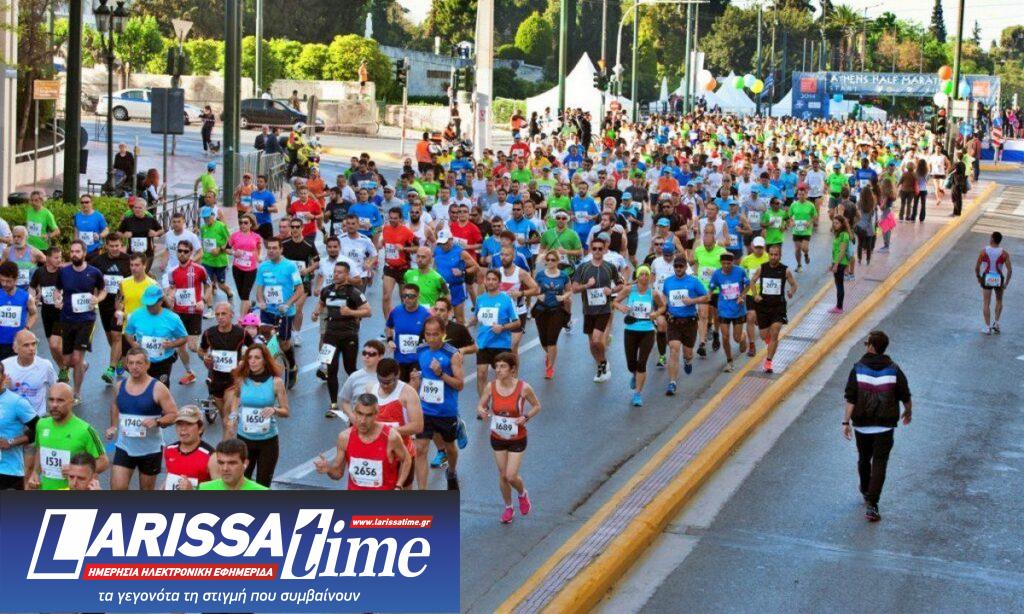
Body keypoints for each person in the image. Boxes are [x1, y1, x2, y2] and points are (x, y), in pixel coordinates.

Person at [842, 330, 912, 522]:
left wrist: (846, 422)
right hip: (885, 426)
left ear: (872, 346)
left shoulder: (858, 368)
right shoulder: (894, 369)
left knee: (864, 458)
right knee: (880, 463)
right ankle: (872, 505)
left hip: (862, 425)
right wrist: (908, 411)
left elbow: (850, 397)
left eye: (866, 343)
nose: (865, 346)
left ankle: (866, 490)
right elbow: (905, 394)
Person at [476, 352, 540, 522]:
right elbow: (480, 405)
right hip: (497, 436)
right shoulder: (491, 387)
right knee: (503, 475)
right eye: (496, 366)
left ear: (512, 369)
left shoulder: (523, 388)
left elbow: (537, 406)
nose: (498, 370)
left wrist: (526, 417)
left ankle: (522, 493)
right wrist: (482, 411)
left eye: (503, 366)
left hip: (517, 438)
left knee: (511, 476)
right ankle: (508, 508)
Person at [104, 348, 178, 490]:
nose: (134, 367)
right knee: (117, 488)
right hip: (124, 447)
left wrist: (157, 422)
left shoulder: (158, 388)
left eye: (139, 363)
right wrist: (113, 426)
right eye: (131, 363)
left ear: (147, 365)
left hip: (150, 450)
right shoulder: (120, 386)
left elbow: (174, 414)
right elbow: (115, 405)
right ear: (126, 365)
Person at [314, 393, 412, 490]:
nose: (363, 421)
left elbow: (407, 459)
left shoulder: (391, 437)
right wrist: (328, 469)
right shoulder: (345, 437)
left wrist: (399, 485)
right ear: (354, 412)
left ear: (376, 414)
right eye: (360, 413)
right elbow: (338, 473)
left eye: (368, 415)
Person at [225, 344, 290, 487]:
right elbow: (236, 398)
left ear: (265, 360)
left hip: (268, 441)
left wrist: (274, 410)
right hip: (244, 439)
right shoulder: (242, 380)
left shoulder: (276, 382)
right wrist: (233, 416)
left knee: (263, 484)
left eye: (257, 358)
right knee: (242, 482)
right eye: (249, 358)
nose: (252, 361)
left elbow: (286, 411)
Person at [312, 261, 371, 416]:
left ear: (346, 274)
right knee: (331, 370)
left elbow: (368, 311)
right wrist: (316, 312)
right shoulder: (327, 290)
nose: (336, 275)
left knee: (350, 368)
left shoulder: (354, 292)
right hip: (330, 335)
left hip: (348, 335)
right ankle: (333, 405)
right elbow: (321, 303)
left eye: (340, 272)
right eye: (335, 272)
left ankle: (362, 396)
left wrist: (351, 312)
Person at [413, 317, 465, 490]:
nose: (431, 338)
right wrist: (416, 380)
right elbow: (420, 375)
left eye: (435, 334)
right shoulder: (420, 350)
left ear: (443, 333)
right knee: (420, 449)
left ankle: (451, 471)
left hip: (446, 411)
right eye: (428, 334)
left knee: (450, 448)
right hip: (425, 410)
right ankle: (422, 491)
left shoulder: (452, 354)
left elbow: (460, 385)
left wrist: (441, 374)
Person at [26, 382, 109, 490]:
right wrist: (35, 472)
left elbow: (103, 462)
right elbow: (40, 450)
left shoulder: (85, 430)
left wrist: (76, 471)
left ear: (72, 403)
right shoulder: (41, 424)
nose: (54, 405)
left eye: (60, 400)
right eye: (51, 400)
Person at [55, 240, 106, 404]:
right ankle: (82, 366)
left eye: (77, 251)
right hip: (67, 318)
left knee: (76, 358)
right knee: (67, 360)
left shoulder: (94, 272)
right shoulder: (63, 272)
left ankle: (76, 393)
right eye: (72, 251)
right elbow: (57, 290)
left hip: (86, 320)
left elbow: (103, 290)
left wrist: (97, 299)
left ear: (84, 253)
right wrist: (57, 299)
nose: (74, 254)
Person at [571, 235, 622, 382]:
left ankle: (603, 363)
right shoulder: (583, 267)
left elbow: (620, 284)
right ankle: (601, 364)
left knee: (596, 338)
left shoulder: (610, 267)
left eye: (600, 249)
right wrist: (586, 285)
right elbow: (574, 288)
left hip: (604, 309)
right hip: (588, 310)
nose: (598, 251)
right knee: (592, 344)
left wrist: (611, 290)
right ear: (591, 250)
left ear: (604, 250)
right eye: (595, 249)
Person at [364, 358, 423, 486]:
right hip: (376, 454)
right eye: (381, 381)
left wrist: (388, 431)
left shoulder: (408, 393)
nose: (384, 385)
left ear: (398, 375)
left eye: (388, 382)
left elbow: (418, 426)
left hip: (402, 455)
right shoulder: (370, 389)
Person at [613, 265, 665, 406]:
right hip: (631, 329)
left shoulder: (653, 293)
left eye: (646, 274)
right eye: (641, 274)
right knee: (631, 364)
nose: (644, 277)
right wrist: (621, 307)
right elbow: (615, 301)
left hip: (647, 330)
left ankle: (637, 394)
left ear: (649, 277)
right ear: (637, 277)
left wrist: (656, 313)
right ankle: (634, 374)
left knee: (642, 363)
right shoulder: (629, 289)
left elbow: (662, 306)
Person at [255, 237, 304, 383]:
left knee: (284, 343)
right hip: (267, 312)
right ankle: (268, 373)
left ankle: (292, 366)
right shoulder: (263, 267)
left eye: (274, 248)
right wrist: (261, 301)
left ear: (281, 249)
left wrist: (288, 304)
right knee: (266, 343)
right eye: (269, 248)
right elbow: (259, 288)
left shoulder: (290, 266)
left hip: (285, 312)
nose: (271, 251)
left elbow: (300, 289)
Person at [658, 254, 709, 396]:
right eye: (676, 266)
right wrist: (661, 309)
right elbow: (664, 297)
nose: (678, 268)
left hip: (689, 322)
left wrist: (692, 301)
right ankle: (672, 382)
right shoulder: (668, 282)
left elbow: (706, 297)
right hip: (673, 322)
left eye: (681, 266)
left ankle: (688, 361)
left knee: (688, 353)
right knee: (674, 350)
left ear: (686, 267)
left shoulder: (694, 282)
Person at [123, 285, 189, 386]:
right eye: (147, 304)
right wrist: (133, 343)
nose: (149, 307)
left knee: (160, 388)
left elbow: (184, 337)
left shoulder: (172, 318)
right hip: (142, 360)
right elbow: (128, 332)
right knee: (142, 388)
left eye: (152, 304)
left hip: (163, 362)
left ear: (161, 301)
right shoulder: (136, 315)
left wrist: (172, 344)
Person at [198, 302, 253, 424]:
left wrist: (244, 361)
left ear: (231, 315)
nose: (220, 317)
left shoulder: (241, 333)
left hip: (233, 380)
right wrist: (204, 356)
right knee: (225, 419)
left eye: (223, 314)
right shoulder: (209, 333)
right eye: (217, 314)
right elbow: (201, 350)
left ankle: (232, 429)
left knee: (227, 417)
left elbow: (254, 349)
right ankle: (232, 431)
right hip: (215, 380)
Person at [89, 233, 131, 382]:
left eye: (117, 246)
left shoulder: (128, 260)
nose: (114, 249)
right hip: (104, 303)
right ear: (106, 245)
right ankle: (119, 359)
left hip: (121, 304)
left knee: (116, 335)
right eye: (111, 246)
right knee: (110, 336)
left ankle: (110, 369)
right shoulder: (98, 261)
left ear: (121, 245)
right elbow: (92, 280)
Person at [166, 240, 209, 385]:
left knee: (192, 347)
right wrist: (171, 295)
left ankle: (212, 361)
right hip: (178, 313)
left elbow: (208, 285)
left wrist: (203, 300)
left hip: (194, 312)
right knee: (180, 347)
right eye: (179, 250)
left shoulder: (199, 269)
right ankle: (190, 372)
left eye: (185, 251)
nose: (182, 254)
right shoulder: (172, 272)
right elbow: (172, 288)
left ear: (191, 253)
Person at [750, 243, 797, 374]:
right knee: (764, 335)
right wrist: (755, 295)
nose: (773, 257)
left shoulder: (785, 270)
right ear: (768, 255)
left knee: (775, 332)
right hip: (763, 306)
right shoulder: (762, 268)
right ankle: (772, 343)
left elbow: (794, 285)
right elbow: (752, 281)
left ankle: (768, 362)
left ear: (780, 256)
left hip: (778, 307)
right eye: (771, 254)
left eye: (776, 255)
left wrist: (791, 292)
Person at [532, 251, 572, 379]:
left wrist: (563, 297)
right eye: (548, 259)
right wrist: (538, 295)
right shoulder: (540, 275)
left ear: (558, 261)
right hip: (542, 310)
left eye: (553, 260)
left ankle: (550, 368)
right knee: (544, 341)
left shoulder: (564, 276)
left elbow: (569, 290)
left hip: (557, 310)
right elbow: (534, 289)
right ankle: (549, 355)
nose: (550, 262)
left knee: (551, 340)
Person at [708, 252, 749, 373]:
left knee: (736, 338)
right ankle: (730, 362)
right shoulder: (716, 274)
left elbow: (748, 285)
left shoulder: (740, 271)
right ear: (721, 263)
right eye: (724, 263)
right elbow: (711, 288)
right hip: (724, 309)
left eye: (729, 263)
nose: (726, 266)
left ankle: (743, 337)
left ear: (733, 262)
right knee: (725, 337)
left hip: (738, 309)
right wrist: (708, 297)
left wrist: (742, 296)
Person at [0, 360, 38, 490]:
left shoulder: (17, 402)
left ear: (3, 377)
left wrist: (11, 442)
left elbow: (38, 429)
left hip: (7, 471)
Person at [30, 247, 66, 380]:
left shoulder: (63, 272)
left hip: (61, 312)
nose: (59, 260)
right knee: (52, 345)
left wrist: (64, 301)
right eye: (56, 257)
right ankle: (62, 368)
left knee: (55, 344)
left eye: (60, 257)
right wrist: (32, 298)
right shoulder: (40, 272)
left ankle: (66, 366)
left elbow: (71, 289)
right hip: (47, 312)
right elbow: (32, 287)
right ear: (48, 258)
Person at [162, 404, 218, 490]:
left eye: (189, 424)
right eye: (179, 424)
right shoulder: (169, 450)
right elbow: (170, 479)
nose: (183, 428)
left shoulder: (212, 457)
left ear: (200, 428)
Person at [386, 284, 431, 382]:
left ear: (418, 296)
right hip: (399, 359)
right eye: (404, 296)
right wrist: (389, 340)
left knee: (414, 387)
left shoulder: (426, 314)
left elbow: (431, 334)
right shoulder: (396, 311)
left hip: (417, 360)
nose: (407, 299)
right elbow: (389, 326)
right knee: (400, 387)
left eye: (411, 296)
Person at [199, 206, 233, 318]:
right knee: (207, 283)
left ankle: (229, 293)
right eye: (204, 218)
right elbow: (203, 242)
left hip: (220, 262)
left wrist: (219, 249)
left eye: (208, 217)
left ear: (213, 216)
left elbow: (230, 240)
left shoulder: (221, 226)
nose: (206, 220)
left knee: (221, 285)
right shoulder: (203, 228)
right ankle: (210, 309)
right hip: (207, 261)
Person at [337, 340, 385, 419]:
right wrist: (351, 416)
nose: (367, 356)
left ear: (380, 356)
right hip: (358, 422)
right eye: (364, 353)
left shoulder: (385, 377)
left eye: (372, 354)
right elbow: (344, 401)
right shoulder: (354, 376)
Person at [975, 231, 1012, 334]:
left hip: (987, 277)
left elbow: (977, 267)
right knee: (999, 301)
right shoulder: (1004, 253)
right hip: (999, 278)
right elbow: (1010, 270)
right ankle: (996, 323)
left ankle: (987, 327)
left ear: (992, 239)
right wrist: (1006, 283)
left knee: (986, 303)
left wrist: (979, 278)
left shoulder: (984, 252)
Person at [197, 438, 269, 490]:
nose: (225, 468)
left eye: (232, 463)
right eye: (221, 463)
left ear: (245, 464)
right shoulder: (203, 488)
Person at [0, 260, 36, 360]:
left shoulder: (26, 297)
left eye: (8, 281)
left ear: (16, 280)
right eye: (2, 280)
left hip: (17, 344)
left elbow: (33, 314)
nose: (4, 284)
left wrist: (26, 328)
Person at [228, 214, 262, 315]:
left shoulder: (256, 237)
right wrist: (234, 253)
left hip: (251, 269)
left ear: (251, 224)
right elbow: (226, 249)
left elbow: (259, 248)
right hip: (237, 268)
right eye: (241, 223)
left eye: (245, 223)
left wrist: (258, 257)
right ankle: (249, 305)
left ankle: (242, 318)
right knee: (241, 294)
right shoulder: (234, 235)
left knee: (245, 294)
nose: (243, 225)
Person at [118, 196, 164, 269]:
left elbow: (161, 230)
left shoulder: (150, 220)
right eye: (135, 207)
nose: (137, 210)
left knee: (144, 273)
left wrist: (155, 233)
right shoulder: (127, 220)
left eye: (140, 208)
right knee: (133, 273)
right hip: (131, 254)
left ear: (145, 209)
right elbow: (118, 233)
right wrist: (124, 235)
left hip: (147, 254)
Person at [829, 216, 852, 314]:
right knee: (838, 284)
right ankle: (838, 306)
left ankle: (839, 307)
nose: (834, 225)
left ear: (842, 224)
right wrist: (832, 263)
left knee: (839, 285)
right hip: (837, 262)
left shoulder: (844, 235)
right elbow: (835, 251)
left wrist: (836, 265)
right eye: (834, 223)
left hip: (840, 263)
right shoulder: (838, 234)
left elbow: (842, 251)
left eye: (837, 223)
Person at [251, 174, 279, 241]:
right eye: (258, 181)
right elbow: (250, 207)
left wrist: (264, 208)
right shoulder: (253, 194)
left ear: (265, 183)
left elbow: (275, 209)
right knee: (253, 244)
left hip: (265, 223)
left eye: (261, 181)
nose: (258, 183)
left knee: (269, 244)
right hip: (254, 223)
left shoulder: (269, 195)